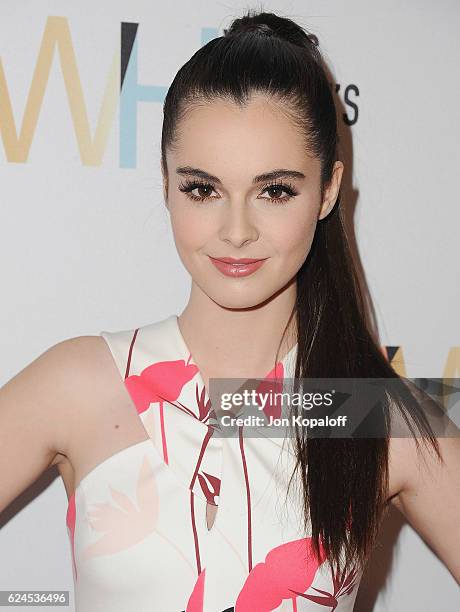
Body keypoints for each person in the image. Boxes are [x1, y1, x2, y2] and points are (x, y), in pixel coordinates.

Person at [1, 8, 459, 612]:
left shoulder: (372, 410)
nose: (236, 230)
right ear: (165, 182)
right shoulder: (80, 383)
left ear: (327, 190)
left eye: (275, 191)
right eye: (203, 189)